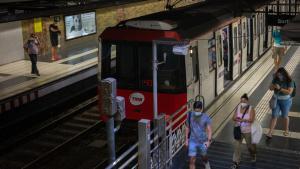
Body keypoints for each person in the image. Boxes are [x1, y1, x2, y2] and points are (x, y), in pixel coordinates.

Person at [267, 67, 294, 139]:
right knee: (274, 116)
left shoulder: (290, 81)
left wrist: (280, 89)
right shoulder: (275, 79)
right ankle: (270, 132)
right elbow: (270, 88)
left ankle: (286, 129)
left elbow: (289, 92)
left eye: (280, 75)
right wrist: (272, 86)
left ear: (284, 75)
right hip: (276, 100)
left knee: (285, 116)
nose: (279, 77)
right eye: (278, 75)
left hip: (285, 101)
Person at [231, 93, 256, 169]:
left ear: (247, 101)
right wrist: (236, 119)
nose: (242, 103)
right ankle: (236, 161)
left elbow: (251, 120)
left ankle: (253, 155)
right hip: (238, 130)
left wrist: (243, 120)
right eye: (241, 101)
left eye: (244, 101)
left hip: (247, 131)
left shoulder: (251, 109)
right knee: (237, 146)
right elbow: (233, 117)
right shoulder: (238, 107)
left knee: (249, 147)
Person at [185, 101, 212, 169]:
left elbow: (209, 130)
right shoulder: (190, 115)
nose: (197, 112)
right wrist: (186, 139)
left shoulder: (206, 117)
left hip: (203, 141)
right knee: (192, 160)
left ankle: (206, 163)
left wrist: (208, 141)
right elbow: (187, 127)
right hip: (192, 141)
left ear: (201, 109)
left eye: (198, 111)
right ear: (194, 109)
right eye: (195, 110)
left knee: (204, 156)